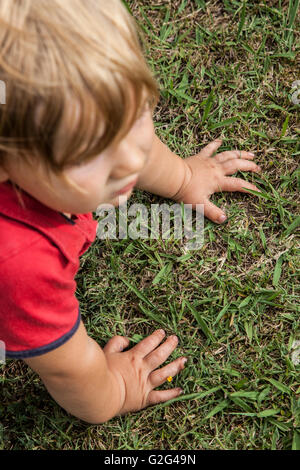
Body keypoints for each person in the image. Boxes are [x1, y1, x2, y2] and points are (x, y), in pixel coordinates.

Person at [0, 0, 261, 424]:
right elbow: (68, 368)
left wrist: (181, 178)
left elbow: (131, 148)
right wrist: (116, 390)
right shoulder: (19, 261)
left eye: (136, 113)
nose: (128, 162)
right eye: (90, 155)